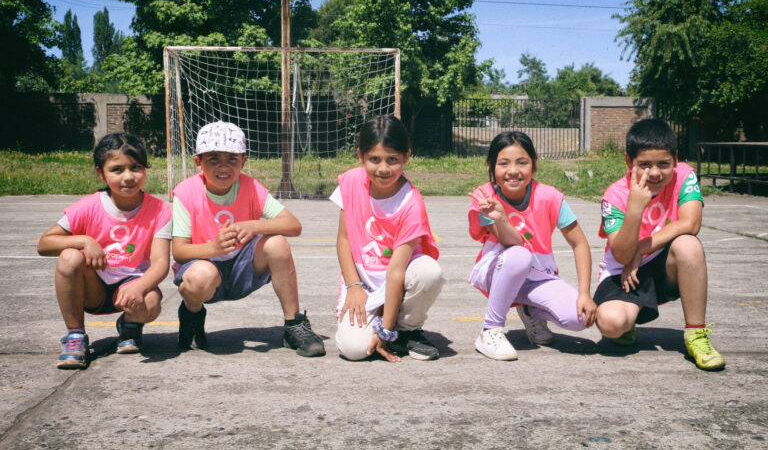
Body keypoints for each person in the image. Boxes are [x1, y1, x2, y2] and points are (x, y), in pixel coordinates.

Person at [171, 121, 324, 357]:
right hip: (206, 269)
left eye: (232, 158)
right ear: (198, 162)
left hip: (243, 269)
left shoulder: (251, 187)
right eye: (213, 158)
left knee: (277, 243)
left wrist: (253, 225)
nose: (223, 166)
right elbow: (179, 252)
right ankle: (192, 314)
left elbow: (293, 225)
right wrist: (213, 248)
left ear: (243, 160)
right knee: (200, 275)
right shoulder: (186, 192)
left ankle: (293, 323)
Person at [594, 119, 724, 371]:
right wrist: (634, 208)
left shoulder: (684, 174)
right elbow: (621, 255)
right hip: (624, 271)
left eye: (663, 164)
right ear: (628, 162)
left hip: (665, 265)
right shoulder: (614, 195)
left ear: (675, 159)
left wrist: (641, 249)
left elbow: (691, 222)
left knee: (689, 244)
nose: (654, 173)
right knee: (611, 324)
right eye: (644, 165)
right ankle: (627, 321)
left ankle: (696, 335)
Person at [38, 133, 172, 369]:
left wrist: (139, 287)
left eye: (136, 167)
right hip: (94, 288)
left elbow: (160, 263)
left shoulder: (160, 210)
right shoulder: (90, 206)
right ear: (101, 173)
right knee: (69, 256)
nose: (128, 176)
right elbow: (45, 243)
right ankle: (75, 336)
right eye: (117, 169)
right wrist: (84, 241)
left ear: (146, 169)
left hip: (132, 285)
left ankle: (130, 325)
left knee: (151, 302)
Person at [468, 131, 596, 361]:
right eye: (503, 163)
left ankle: (530, 310)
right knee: (519, 255)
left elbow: (580, 244)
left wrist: (585, 293)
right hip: (497, 270)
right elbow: (511, 244)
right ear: (491, 166)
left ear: (534, 166)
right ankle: (490, 331)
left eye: (522, 162)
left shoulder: (550, 196)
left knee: (579, 318)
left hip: (537, 275)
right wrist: (501, 218)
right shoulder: (484, 197)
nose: (513, 170)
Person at [332, 115, 445, 362]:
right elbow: (343, 239)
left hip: (399, 278)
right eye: (375, 159)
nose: (383, 169)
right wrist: (353, 287)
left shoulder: (411, 203)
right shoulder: (350, 182)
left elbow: (396, 271)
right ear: (361, 156)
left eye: (392, 160)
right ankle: (380, 317)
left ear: (406, 157)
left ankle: (406, 330)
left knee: (429, 272)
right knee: (353, 350)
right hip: (363, 283)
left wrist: (386, 329)